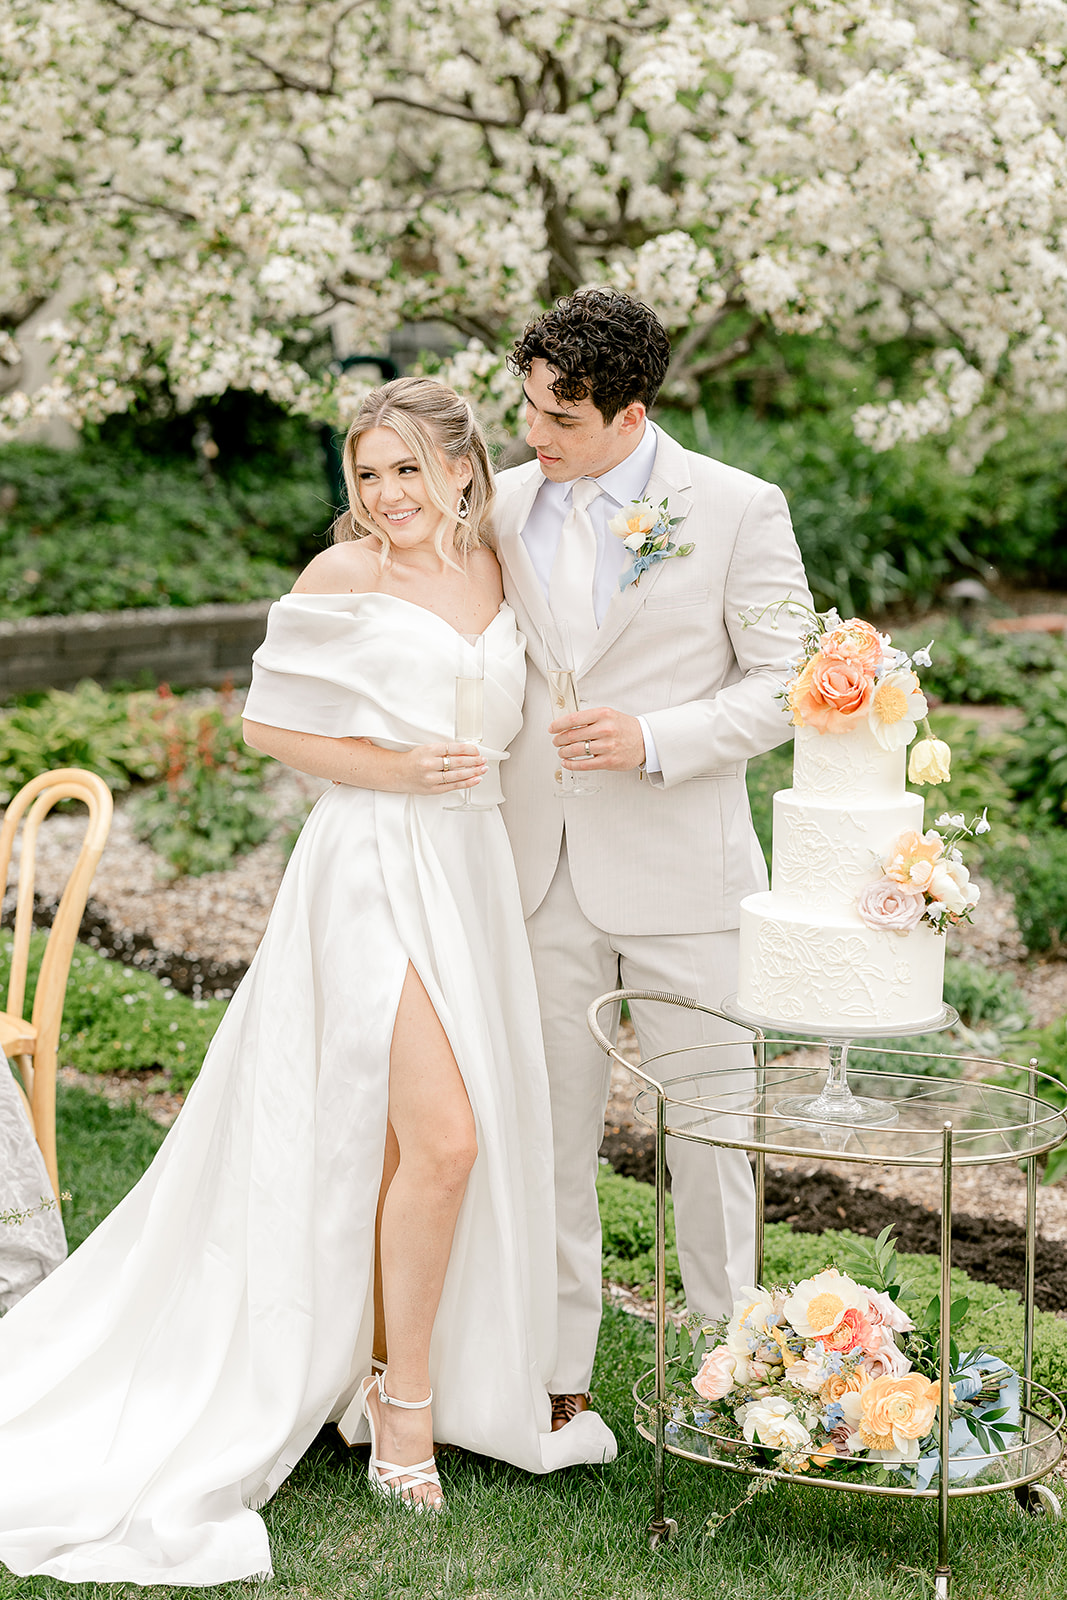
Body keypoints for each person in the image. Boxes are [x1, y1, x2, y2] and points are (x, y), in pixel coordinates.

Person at [0, 377, 614, 1589]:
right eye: (365, 475)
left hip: (473, 865)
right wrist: (390, 764)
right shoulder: (343, 579)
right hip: (371, 863)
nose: (383, 496)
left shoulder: (504, 565)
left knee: (408, 1150)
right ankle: (401, 1407)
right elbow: (267, 728)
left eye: (402, 471)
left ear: (459, 466)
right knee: (443, 1142)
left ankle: (392, 1364)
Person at [493, 289, 813, 1428]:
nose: (535, 435)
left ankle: (742, 1379)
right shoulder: (503, 504)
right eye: (527, 405)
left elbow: (788, 682)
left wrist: (652, 740)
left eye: (561, 418)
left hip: (686, 876)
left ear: (630, 416)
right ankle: (546, 1372)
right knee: (547, 1133)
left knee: (715, 1135)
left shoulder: (733, 507)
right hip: (539, 872)